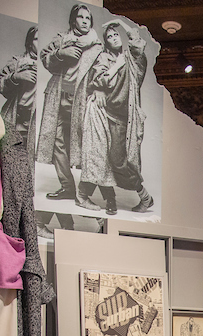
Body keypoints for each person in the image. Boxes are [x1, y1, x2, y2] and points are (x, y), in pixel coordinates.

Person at [78, 20, 154, 215]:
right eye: (110, 36)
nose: (114, 38)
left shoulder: (131, 57)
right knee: (101, 155)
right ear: (106, 42)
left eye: (116, 35)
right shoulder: (104, 58)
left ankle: (144, 197)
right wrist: (108, 76)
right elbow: (98, 80)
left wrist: (121, 23)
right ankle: (92, 196)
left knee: (121, 160)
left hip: (125, 118)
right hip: (105, 114)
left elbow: (138, 43)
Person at [35, 4, 103, 207]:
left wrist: (99, 89)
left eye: (88, 18)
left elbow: (102, 70)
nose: (84, 21)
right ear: (73, 20)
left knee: (87, 142)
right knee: (56, 141)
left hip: (82, 99)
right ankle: (67, 187)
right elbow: (45, 57)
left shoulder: (97, 46)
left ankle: (86, 191)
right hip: (58, 95)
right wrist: (60, 54)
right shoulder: (62, 40)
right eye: (80, 17)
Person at [0, 25, 39, 152]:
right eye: (37, 39)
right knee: (11, 154)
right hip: (17, 118)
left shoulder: (50, 64)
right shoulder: (18, 62)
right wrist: (16, 77)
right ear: (29, 43)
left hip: (36, 121)